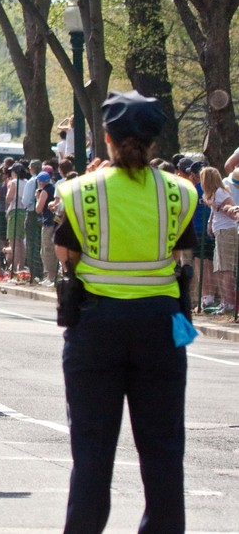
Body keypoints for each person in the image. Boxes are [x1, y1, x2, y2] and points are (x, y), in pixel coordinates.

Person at [54, 91, 198, 533]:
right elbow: (186, 252)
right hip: (161, 324)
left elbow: (65, 253)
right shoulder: (181, 192)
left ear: (106, 137)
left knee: (92, 452)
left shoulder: (80, 191)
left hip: (97, 325)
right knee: (163, 450)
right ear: (155, 140)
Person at [198, 166, 237, 314]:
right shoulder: (213, 194)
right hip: (219, 231)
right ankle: (225, 301)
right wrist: (210, 222)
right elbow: (214, 210)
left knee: (226, 269)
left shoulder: (220, 193)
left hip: (226, 231)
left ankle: (230, 303)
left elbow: (232, 210)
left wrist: (216, 206)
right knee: (220, 268)